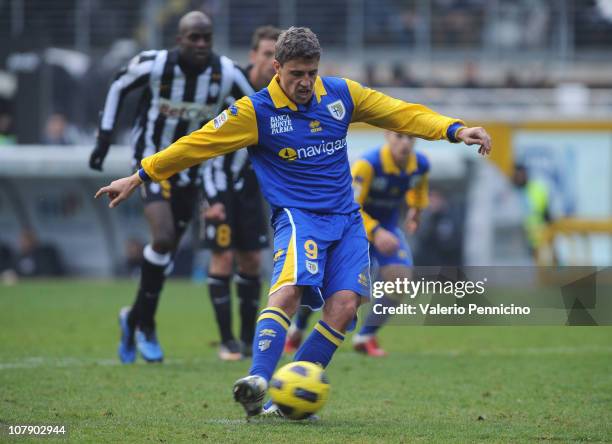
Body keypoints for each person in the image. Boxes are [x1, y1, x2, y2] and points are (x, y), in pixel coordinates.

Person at [95, 27, 492, 417]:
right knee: (289, 292)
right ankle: (258, 382)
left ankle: (288, 398)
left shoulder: (341, 94)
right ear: (276, 68)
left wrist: (454, 129)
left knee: (344, 305)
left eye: (311, 73)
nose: (305, 82)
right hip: (298, 218)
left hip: (348, 221)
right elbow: (195, 144)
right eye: (296, 73)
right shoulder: (255, 112)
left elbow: (400, 113)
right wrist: (140, 176)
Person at [89, 11, 255, 364]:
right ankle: (146, 325)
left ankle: (133, 318)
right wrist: (104, 137)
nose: (200, 44)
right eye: (193, 37)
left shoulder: (225, 73)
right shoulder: (154, 65)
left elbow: (257, 108)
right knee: (162, 238)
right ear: (179, 39)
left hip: (191, 175)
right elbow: (119, 84)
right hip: (150, 166)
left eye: (206, 38)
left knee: (163, 255)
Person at [284, 132, 429, 357]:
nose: (405, 143)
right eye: (399, 136)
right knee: (328, 283)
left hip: (386, 228)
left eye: (410, 138)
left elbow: (418, 188)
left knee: (400, 278)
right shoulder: (367, 165)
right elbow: (350, 205)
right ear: (387, 136)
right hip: (350, 226)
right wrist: (376, 231)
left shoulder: (420, 164)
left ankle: (366, 336)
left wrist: (415, 212)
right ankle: (298, 329)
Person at [201, 26, 280, 361]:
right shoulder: (230, 86)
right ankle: (226, 341)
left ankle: (248, 340)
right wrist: (209, 197)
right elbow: (203, 139)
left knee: (251, 259)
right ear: (253, 55)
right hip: (219, 184)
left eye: (277, 55)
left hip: (251, 188)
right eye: (266, 54)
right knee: (222, 255)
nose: (271, 61)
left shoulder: (282, 93)